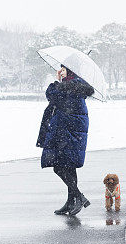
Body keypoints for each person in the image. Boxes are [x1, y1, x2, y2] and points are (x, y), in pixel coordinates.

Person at [36, 65, 95, 216]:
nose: (60, 71)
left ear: (70, 70)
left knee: (59, 167)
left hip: (67, 134)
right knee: (68, 166)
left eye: (63, 69)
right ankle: (71, 202)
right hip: (68, 133)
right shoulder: (74, 86)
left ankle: (79, 197)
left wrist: (57, 82)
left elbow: (52, 96)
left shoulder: (71, 86)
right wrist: (61, 82)